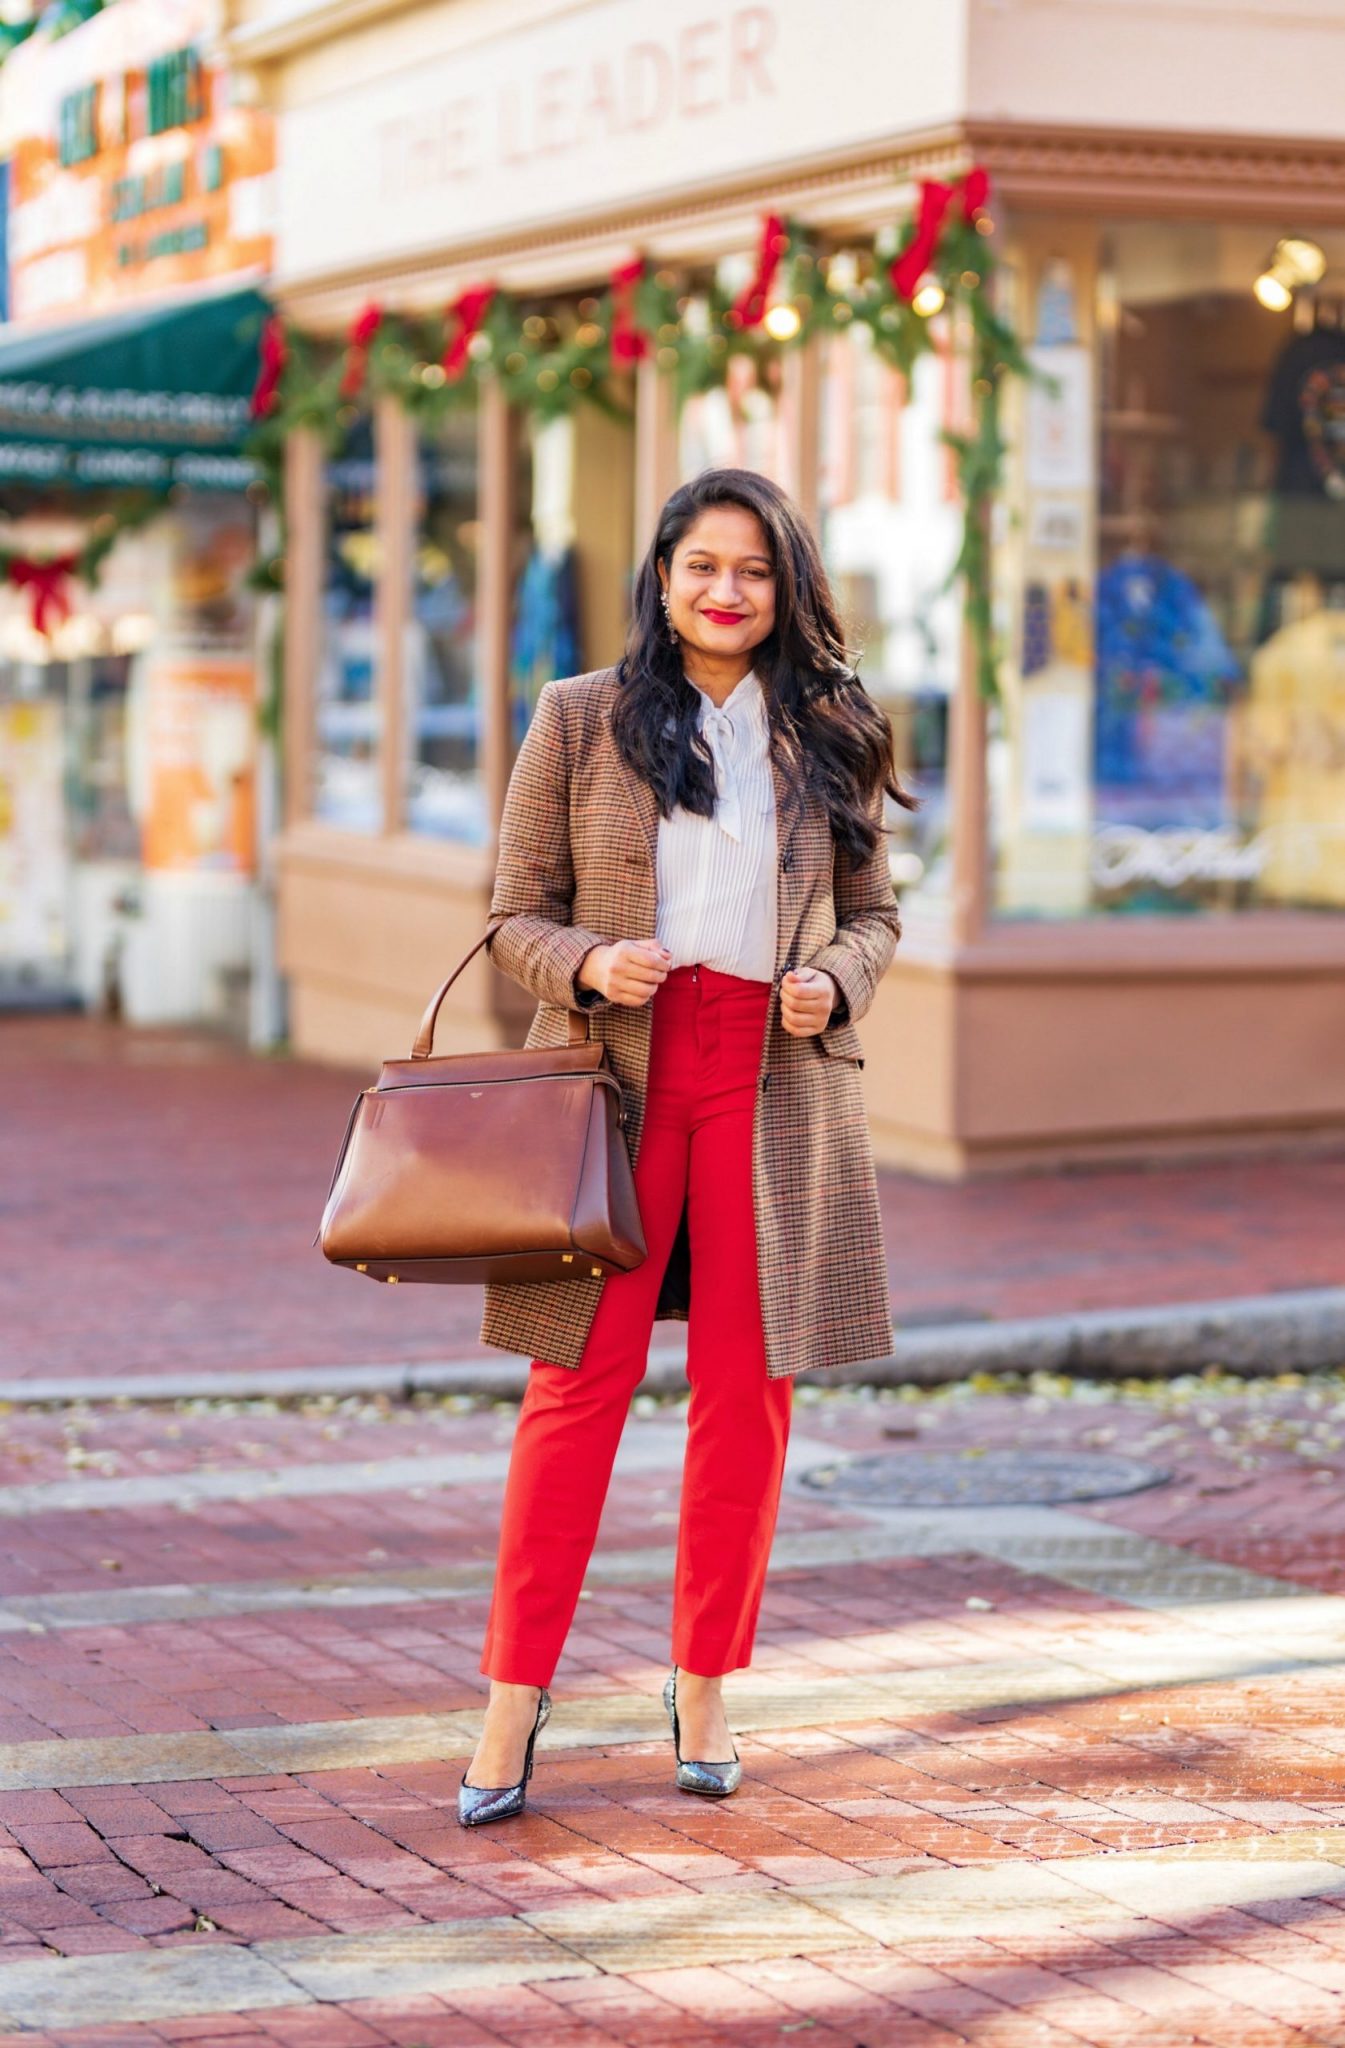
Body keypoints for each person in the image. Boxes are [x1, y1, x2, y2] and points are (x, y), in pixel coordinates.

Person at [459, 466, 910, 1826]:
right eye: (701, 565)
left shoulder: (829, 727)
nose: (725, 590)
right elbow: (510, 916)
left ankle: (704, 1679)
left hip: (771, 1083)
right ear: (661, 577)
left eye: (753, 570)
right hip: (620, 1081)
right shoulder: (583, 719)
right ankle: (509, 1704)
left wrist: (836, 975)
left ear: (786, 590)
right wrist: (591, 961)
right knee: (573, 1393)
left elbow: (876, 912)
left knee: (746, 1399)